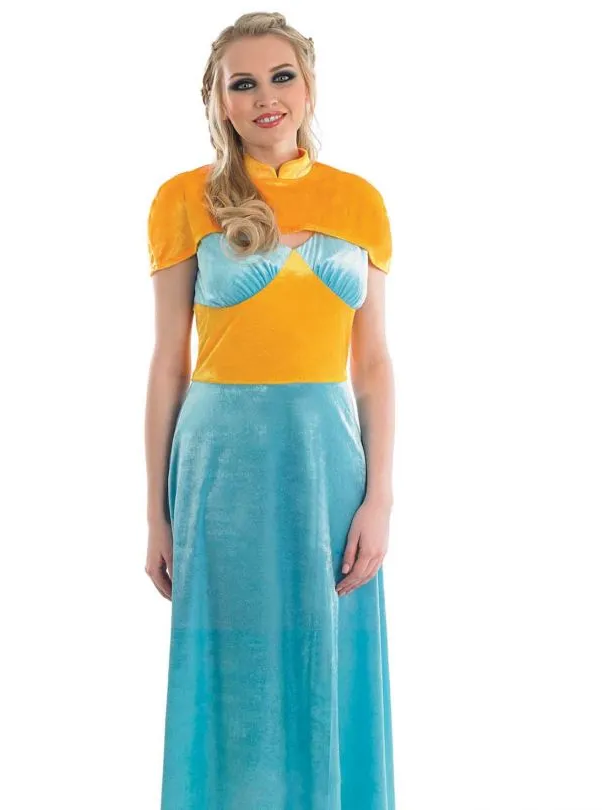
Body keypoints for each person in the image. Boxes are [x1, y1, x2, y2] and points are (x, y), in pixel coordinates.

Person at [144, 12, 396, 809]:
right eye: (243, 84)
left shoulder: (358, 200)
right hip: (221, 468)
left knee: (329, 658)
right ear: (218, 101)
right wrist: (155, 514)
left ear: (309, 85)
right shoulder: (183, 199)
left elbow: (374, 364)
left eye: (281, 77)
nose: (265, 98)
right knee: (237, 670)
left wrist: (380, 498)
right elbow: (168, 361)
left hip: (328, 463)